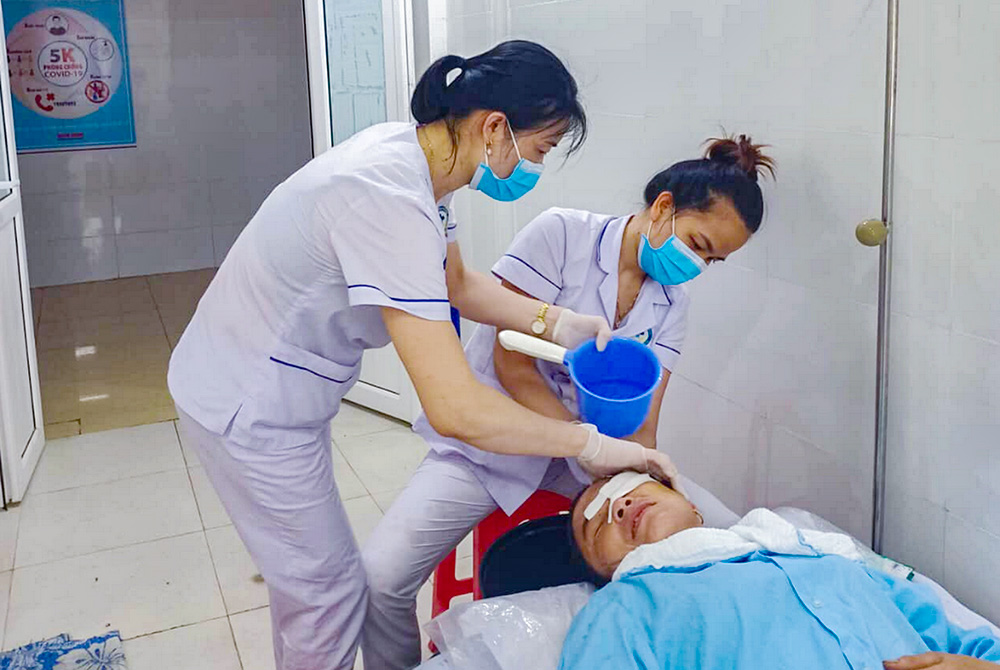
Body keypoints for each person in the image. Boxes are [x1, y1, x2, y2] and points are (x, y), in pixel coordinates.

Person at [167, 40, 677, 670]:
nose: (534, 168)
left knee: (318, 587)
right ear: (495, 129)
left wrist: (558, 321)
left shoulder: (418, 166)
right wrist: (591, 444)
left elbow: (458, 283)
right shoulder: (388, 197)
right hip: (248, 401)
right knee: (328, 596)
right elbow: (455, 407)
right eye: (540, 150)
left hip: (278, 388)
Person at [362, 136, 775, 669]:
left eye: (712, 260)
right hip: (491, 447)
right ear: (664, 207)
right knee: (380, 579)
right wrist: (586, 444)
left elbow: (646, 419)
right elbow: (512, 364)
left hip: (587, 466)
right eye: (697, 245)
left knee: (726, 529)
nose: (696, 265)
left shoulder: (672, 303)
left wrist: (637, 471)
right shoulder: (563, 235)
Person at [562, 473, 1000, 670]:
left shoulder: (825, 557)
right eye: (596, 523)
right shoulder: (624, 609)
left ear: (689, 503)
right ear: (605, 570)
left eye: (627, 484)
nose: (617, 504)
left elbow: (973, 645)